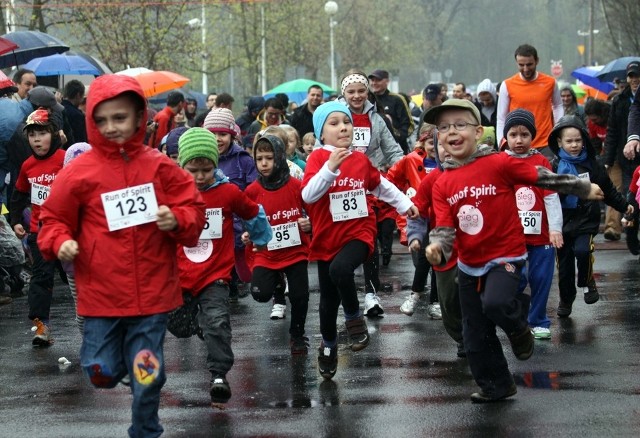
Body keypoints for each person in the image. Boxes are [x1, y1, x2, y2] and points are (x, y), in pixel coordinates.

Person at [37, 74, 206, 437]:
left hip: (153, 294)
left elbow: (193, 207)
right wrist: (60, 240)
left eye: (120, 118)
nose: (111, 127)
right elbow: (51, 218)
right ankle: (121, 368)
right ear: (91, 121)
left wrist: (177, 219)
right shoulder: (80, 171)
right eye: (102, 120)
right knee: (101, 371)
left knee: (147, 374)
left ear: (139, 117)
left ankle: (146, 429)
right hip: (101, 295)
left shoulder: (160, 167)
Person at [423, 99, 604, 403]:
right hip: (469, 265)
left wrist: (581, 187)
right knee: (475, 334)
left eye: (459, 125)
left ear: (479, 131)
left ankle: (520, 330)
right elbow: (445, 228)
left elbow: (541, 177)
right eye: (443, 127)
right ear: (437, 137)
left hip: (505, 255)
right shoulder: (443, 184)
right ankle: (497, 385)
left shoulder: (498, 163)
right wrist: (437, 249)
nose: (451, 132)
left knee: (495, 303)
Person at [301, 101, 418, 379]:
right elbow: (308, 196)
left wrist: (404, 205)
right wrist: (329, 169)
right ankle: (329, 347)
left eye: (347, 121)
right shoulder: (317, 159)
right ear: (321, 133)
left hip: (359, 232)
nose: (343, 127)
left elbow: (381, 185)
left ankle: (354, 317)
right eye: (335, 123)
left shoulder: (360, 160)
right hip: (328, 236)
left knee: (340, 269)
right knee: (328, 302)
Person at [175, 127, 270, 404]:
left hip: (216, 274)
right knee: (178, 326)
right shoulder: (173, 194)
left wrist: (261, 238)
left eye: (206, 169)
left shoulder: (228, 192)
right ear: (183, 167)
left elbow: (253, 212)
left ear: (215, 165)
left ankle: (219, 375)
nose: (201, 176)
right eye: (194, 170)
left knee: (218, 321)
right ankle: (203, 328)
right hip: (179, 276)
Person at [548, 115, 632, 318]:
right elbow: (546, 195)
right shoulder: (554, 166)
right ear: (559, 142)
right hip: (563, 222)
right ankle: (566, 300)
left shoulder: (593, 164)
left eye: (578, 140)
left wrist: (625, 206)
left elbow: (608, 190)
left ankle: (587, 282)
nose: (574, 145)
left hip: (586, 220)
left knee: (583, 251)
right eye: (569, 141)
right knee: (565, 267)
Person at [339, 70, 405, 316]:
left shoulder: (377, 120)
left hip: (369, 189)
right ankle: (343, 298)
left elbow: (394, 152)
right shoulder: (335, 117)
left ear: (368, 92)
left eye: (361, 91)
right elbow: (320, 150)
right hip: (341, 189)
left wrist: (400, 174)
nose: (356, 96)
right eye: (351, 91)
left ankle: (370, 295)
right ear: (343, 93)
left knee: (370, 241)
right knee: (341, 244)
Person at [244, 134, 311, 354]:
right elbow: (248, 220)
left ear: (280, 158)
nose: (264, 163)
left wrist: (308, 223)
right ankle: (278, 283)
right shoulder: (253, 191)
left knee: (300, 295)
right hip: (267, 252)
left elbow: (313, 213)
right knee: (259, 294)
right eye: (259, 158)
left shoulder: (296, 186)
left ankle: (297, 334)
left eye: (269, 158)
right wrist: (247, 234)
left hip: (295, 250)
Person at [502, 109, 563, 340]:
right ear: (506, 136)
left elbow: (550, 197)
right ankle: (516, 316)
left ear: (533, 136)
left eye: (525, 134)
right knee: (514, 280)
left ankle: (538, 321)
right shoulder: (501, 162)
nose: (519, 140)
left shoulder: (541, 161)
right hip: (512, 238)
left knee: (541, 279)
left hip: (541, 237)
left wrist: (556, 229)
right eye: (514, 134)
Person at [9, 109, 66, 347]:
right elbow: (18, 195)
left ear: (53, 134)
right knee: (41, 279)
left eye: (41, 133)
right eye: (32, 135)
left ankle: (98, 321)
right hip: (40, 232)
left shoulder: (66, 158)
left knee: (75, 278)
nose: (36, 140)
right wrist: (15, 221)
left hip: (68, 232)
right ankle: (41, 326)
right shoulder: (27, 166)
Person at [204, 108, 257, 302]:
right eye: (212, 134)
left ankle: (235, 286)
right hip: (212, 230)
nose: (217, 139)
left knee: (245, 275)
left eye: (222, 134)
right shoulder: (201, 159)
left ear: (232, 135)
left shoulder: (243, 160)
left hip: (238, 228)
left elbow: (253, 192)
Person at [388, 122, 440, 319]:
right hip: (418, 215)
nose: (435, 148)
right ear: (422, 142)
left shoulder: (447, 165)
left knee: (436, 263)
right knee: (421, 261)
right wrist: (404, 194)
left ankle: (433, 301)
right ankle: (418, 295)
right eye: (430, 143)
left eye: (439, 144)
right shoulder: (411, 160)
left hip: (441, 221)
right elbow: (391, 178)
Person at [496, 44, 563, 159]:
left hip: (545, 144)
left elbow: (558, 105)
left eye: (529, 64)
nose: (526, 69)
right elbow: (502, 117)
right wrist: (502, 141)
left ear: (537, 61)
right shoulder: (507, 85)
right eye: (521, 65)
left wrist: (558, 130)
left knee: (547, 176)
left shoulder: (550, 82)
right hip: (518, 144)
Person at [606, 61, 640, 254]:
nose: (634, 79)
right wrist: (607, 160)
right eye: (631, 76)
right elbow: (612, 131)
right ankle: (627, 232)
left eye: (637, 75)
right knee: (628, 195)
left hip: (639, 158)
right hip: (624, 156)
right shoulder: (619, 101)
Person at [368, 69, 414, 154]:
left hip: (397, 149)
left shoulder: (397, 99)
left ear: (387, 81)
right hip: (374, 151)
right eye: (372, 80)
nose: (374, 83)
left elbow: (409, 126)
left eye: (378, 80)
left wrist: (396, 136)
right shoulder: (367, 100)